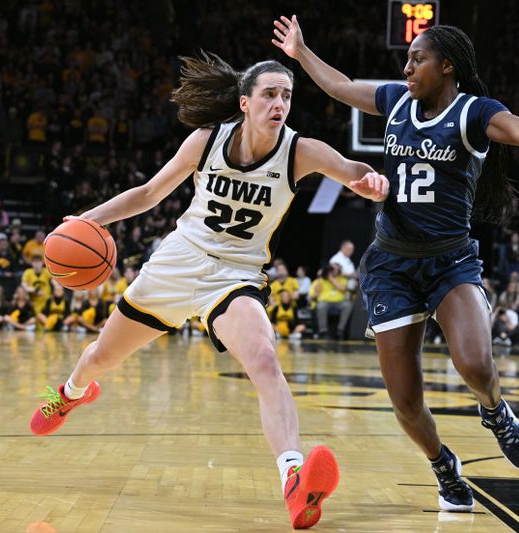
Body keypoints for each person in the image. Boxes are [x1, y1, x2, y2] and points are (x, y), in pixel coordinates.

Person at [273, 16, 519, 511]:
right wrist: (301, 51)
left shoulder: (473, 113)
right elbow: (338, 86)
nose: (407, 67)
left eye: (417, 58)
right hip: (391, 265)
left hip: (450, 262)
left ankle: (496, 412)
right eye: (407, 59)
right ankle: (445, 467)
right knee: (404, 401)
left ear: (447, 66)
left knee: (475, 364)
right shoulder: (396, 99)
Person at [28, 52, 389, 529]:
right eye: (269, 94)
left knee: (263, 359)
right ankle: (71, 392)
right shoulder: (206, 140)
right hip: (177, 264)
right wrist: (87, 219)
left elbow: (351, 170)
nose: (279, 102)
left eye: (286, 95)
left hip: (235, 276)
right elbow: (149, 194)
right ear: (244, 102)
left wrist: (370, 183)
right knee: (100, 358)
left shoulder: (300, 151)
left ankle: (294, 478)